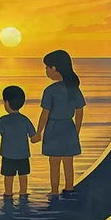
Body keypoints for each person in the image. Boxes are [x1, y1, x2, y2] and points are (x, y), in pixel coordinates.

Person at [37, 49, 85, 195]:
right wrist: (76, 131)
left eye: (47, 67)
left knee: (54, 162)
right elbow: (79, 111)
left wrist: (38, 132)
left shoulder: (50, 90)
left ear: (54, 68)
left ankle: (54, 191)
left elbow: (44, 114)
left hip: (54, 128)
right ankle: (69, 188)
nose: (46, 71)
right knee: (68, 161)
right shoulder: (73, 88)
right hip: (69, 127)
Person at [0, 85, 36, 201]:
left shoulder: (3, 120)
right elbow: (34, 137)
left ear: (7, 103)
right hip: (23, 156)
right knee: (23, 177)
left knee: (8, 178)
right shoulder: (25, 120)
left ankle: (8, 195)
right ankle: (23, 195)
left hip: (8, 156)